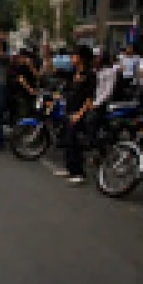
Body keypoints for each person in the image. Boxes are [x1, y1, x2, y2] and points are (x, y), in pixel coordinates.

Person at [54, 45, 97, 184]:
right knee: (67, 140)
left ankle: (79, 173)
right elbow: (65, 87)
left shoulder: (89, 75)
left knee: (75, 142)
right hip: (69, 109)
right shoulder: (73, 72)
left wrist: (79, 114)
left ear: (81, 58)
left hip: (80, 111)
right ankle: (69, 168)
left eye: (74, 55)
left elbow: (89, 98)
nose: (72, 58)